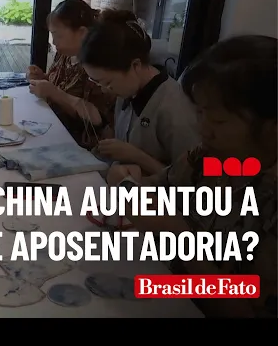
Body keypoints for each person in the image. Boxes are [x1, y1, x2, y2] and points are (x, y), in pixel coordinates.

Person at [107, 35, 277, 318]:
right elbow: (154, 190)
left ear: (272, 127)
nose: (203, 128)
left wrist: (180, 237)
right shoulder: (207, 157)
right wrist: (126, 182)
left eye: (219, 120)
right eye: (199, 112)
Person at [78, 9, 200, 175]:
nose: (104, 89)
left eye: (107, 83)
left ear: (135, 65)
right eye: (97, 82)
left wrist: (137, 156)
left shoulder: (174, 109)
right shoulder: (128, 91)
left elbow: (192, 181)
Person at [27, 0, 116, 149]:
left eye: (58, 36)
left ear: (82, 33)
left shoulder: (96, 66)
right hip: (52, 128)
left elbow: (97, 120)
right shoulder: (64, 55)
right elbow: (59, 84)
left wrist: (54, 93)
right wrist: (42, 78)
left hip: (79, 144)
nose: (54, 42)